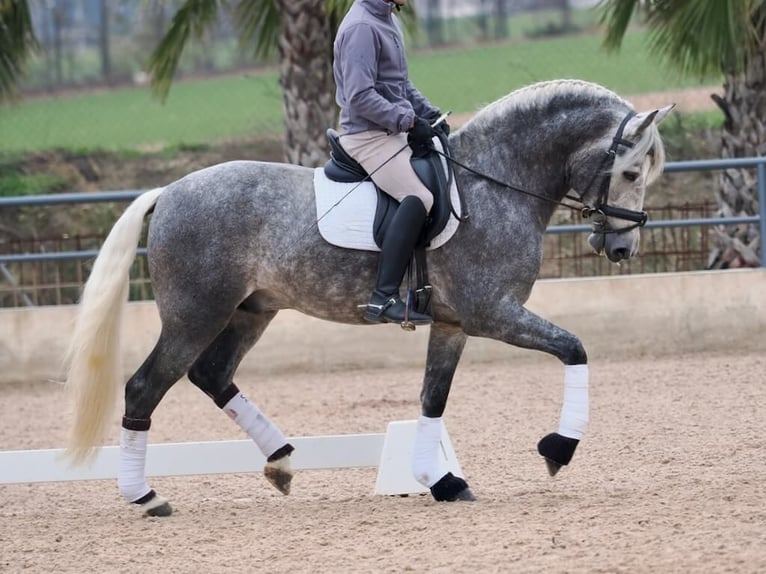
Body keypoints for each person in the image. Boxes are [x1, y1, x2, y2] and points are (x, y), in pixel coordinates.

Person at [333, 0, 449, 326]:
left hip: (389, 131)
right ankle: (383, 297)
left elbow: (399, 86)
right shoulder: (362, 27)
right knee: (420, 197)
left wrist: (429, 114)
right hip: (368, 137)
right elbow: (360, 96)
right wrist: (409, 122)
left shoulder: (385, 19)